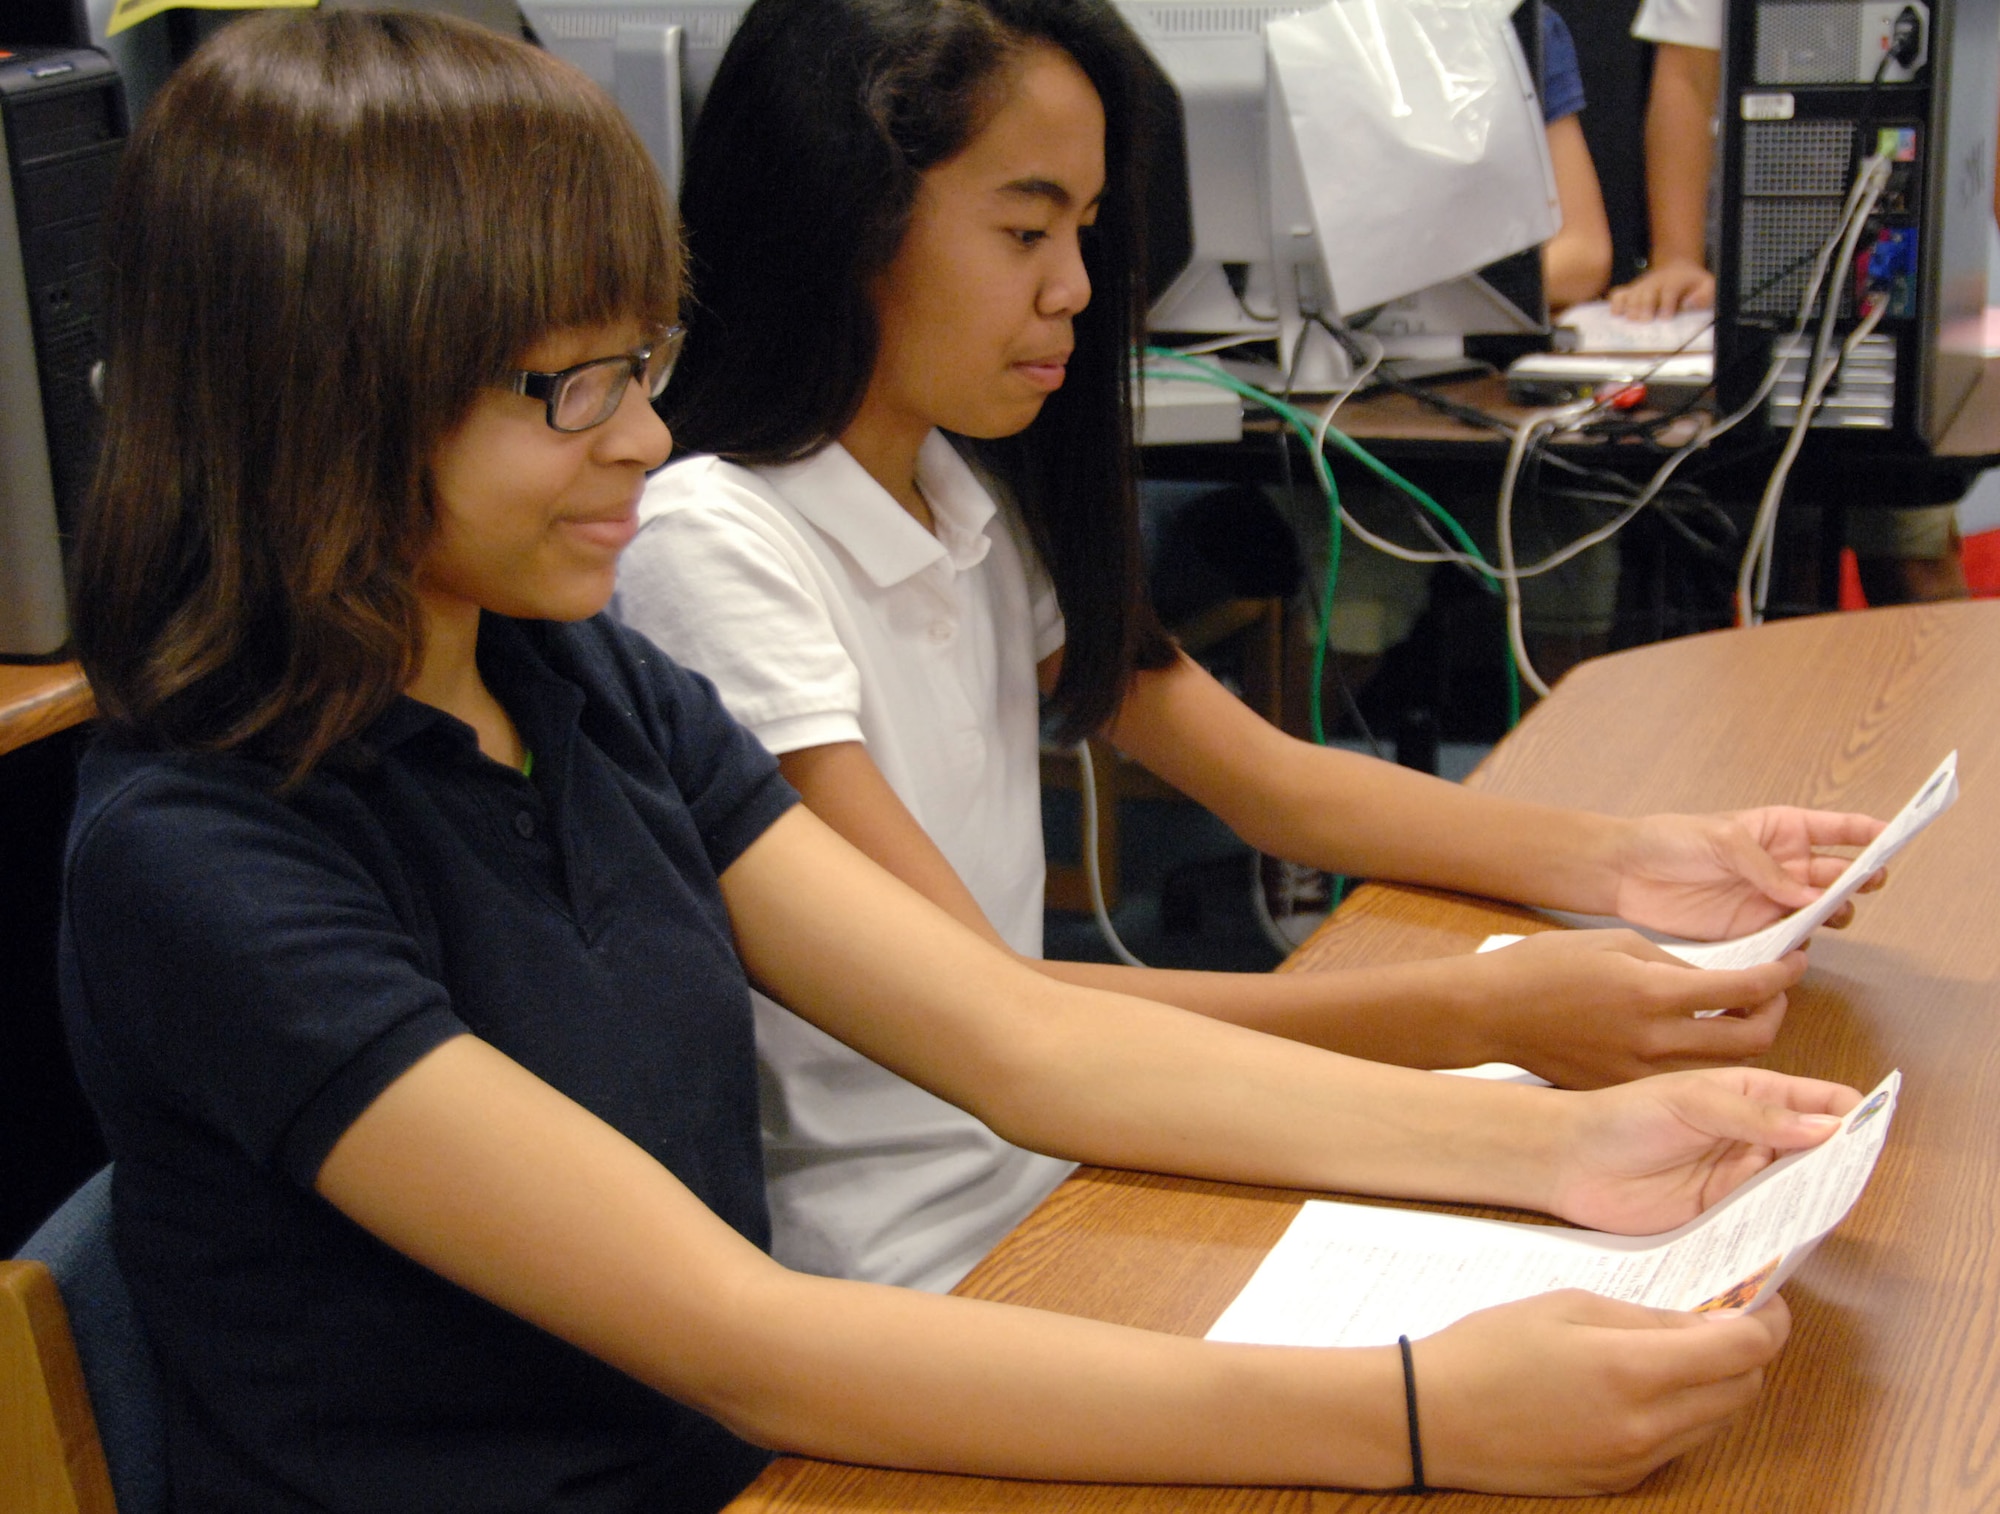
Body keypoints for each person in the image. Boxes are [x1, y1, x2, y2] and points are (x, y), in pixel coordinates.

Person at [58, 9, 1871, 1508]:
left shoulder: (583, 687)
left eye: (644, 362)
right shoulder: (204, 857)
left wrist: (1567, 1150)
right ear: (331, 392)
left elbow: (1019, 1033)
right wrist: (1416, 1409)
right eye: (573, 387)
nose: (651, 432)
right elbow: (733, 1326)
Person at [615, 0, 1887, 1295]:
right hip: (932, 1262)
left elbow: (1271, 778)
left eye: (1087, 234)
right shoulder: (714, 544)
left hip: (1086, 1165)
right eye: (1023, 230)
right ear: (842, 213)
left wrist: (1638, 860)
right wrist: (1484, 1020)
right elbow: (1002, 1022)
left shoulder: (957, 492)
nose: (1072, 287)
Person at [1606, 0, 1969, 605]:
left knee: (1910, 544)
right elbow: (1685, 80)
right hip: (1761, 247)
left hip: (1902, 268)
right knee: (1776, 543)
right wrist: (1676, 255)